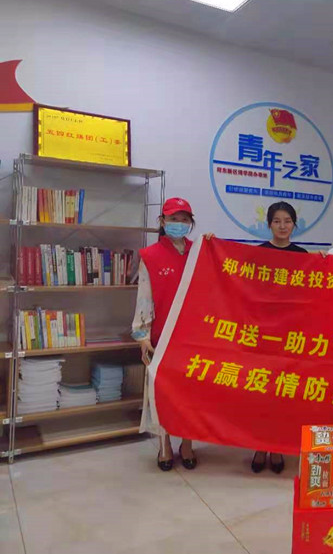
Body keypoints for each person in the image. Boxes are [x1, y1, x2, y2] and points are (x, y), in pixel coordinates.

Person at [132, 197, 202, 471]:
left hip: (193, 336)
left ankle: (187, 443)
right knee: (163, 392)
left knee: (190, 394)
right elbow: (144, 297)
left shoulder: (199, 252)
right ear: (162, 221)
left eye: (184, 220)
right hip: (161, 335)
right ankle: (165, 444)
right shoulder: (150, 256)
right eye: (173, 219)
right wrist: (142, 336)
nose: (179, 224)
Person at [250, 201, 306, 474]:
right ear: (269, 224)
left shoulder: (302, 255)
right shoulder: (257, 254)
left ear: (294, 224)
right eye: (277, 221)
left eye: (287, 221)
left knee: (283, 393)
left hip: (291, 336)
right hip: (262, 334)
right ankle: (259, 446)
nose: (282, 226)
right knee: (261, 393)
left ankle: (278, 448)